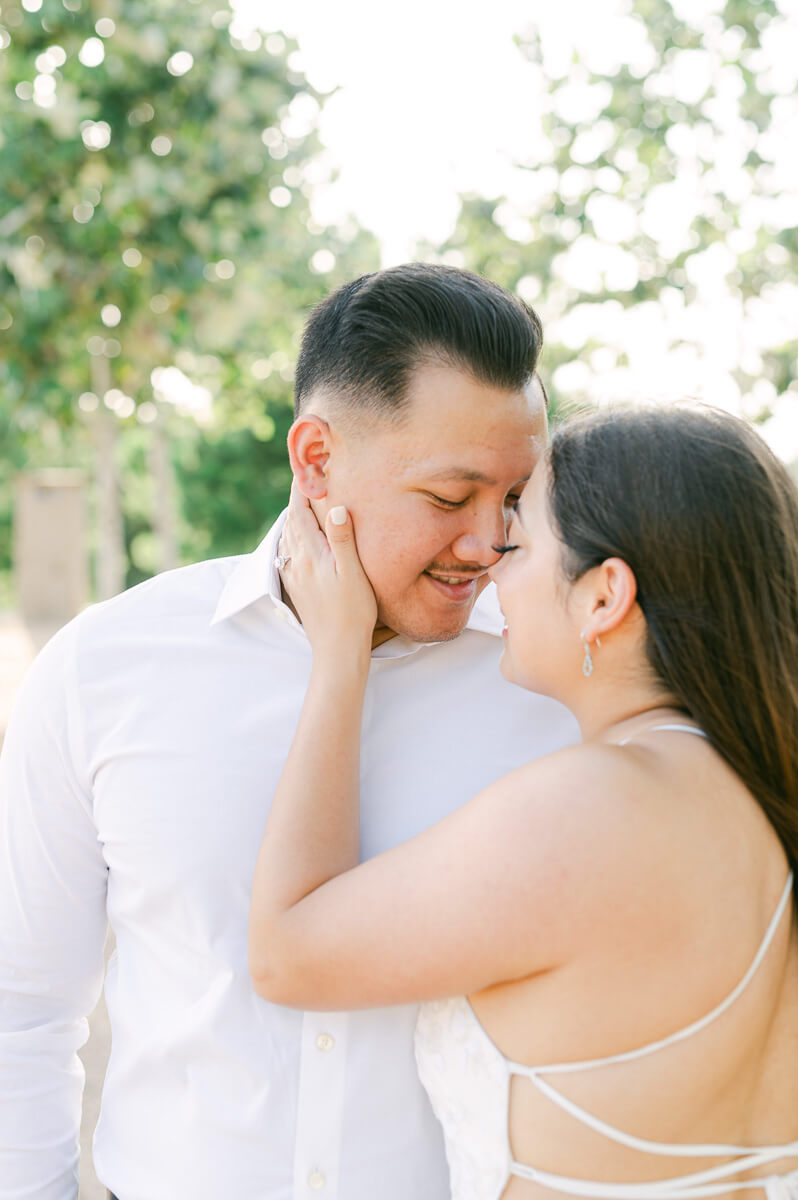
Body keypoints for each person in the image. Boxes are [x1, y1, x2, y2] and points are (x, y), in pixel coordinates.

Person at [0, 264, 578, 1199]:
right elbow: (20, 1013)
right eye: (449, 497)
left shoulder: (556, 688)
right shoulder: (105, 667)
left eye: (514, 498)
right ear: (316, 459)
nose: (488, 542)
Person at [248, 403, 798, 1200]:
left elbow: (286, 953)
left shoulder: (592, 809)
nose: (490, 569)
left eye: (521, 542)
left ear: (604, 596)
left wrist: (340, 655)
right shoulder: (754, 793)